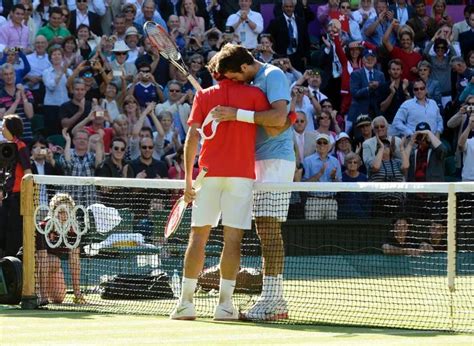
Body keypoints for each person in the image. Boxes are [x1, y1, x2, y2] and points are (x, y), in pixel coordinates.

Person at [170, 55, 271, 321]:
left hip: (207, 176)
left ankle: (185, 304)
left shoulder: (204, 97)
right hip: (239, 177)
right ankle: (224, 305)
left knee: (198, 238)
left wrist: (188, 182)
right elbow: (276, 120)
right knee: (233, 240)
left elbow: (191, 139)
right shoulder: (255, 94)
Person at [210, 43, 293, 321]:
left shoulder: (273, 76)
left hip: (276, 162)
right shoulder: (254, 80)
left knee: (269, 231)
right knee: (263, 230)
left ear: (244, 67)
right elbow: (274, 123)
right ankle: (273, 300)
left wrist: (237, 114)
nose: (233, 82)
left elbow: (279, 118)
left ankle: (274, 301)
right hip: (256, 162)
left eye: (234, 77)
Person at [35, 193, 85, 305]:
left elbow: (74, 260)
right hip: (33, 266)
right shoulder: (43, 227)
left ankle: (73, 295)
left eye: (67, 212)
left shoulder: (74, 230)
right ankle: (39, 293)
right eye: (60, 211)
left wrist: (77, 293)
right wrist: (43, 296)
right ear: (53, 211)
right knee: (53, 260)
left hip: (51, 267)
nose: (64, 215)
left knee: (58, 298)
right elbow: (41, 257)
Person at [0, 114, 31, 256]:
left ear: (10, 128)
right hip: (7, 196)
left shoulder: (21, 146)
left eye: (4, 126)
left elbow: (28, 171)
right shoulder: (6, 146)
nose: (1, 129)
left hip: (18, 196)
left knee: (13, 232)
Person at [302, 132, 342, 220]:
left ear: (329, 146)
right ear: (316, 145)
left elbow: (340, 186)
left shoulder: (335, 161)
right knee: (312, 230)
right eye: (319, 142)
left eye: (325, 142)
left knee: (331, 231)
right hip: (313, 200)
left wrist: (333, 177)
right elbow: (303, 185)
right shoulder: (308, 161)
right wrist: (319, 174)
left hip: (331, 201)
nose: (322, 145)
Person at [265, 0, 310, 72]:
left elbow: (306, 40)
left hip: (298, 57)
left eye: (291, 7)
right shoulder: (276, 22)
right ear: (282, 8)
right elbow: (268, 38)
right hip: (281, 57)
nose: (289, 9)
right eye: (286, 7)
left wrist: (305, 56)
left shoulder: (301, 22)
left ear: (294, 8)